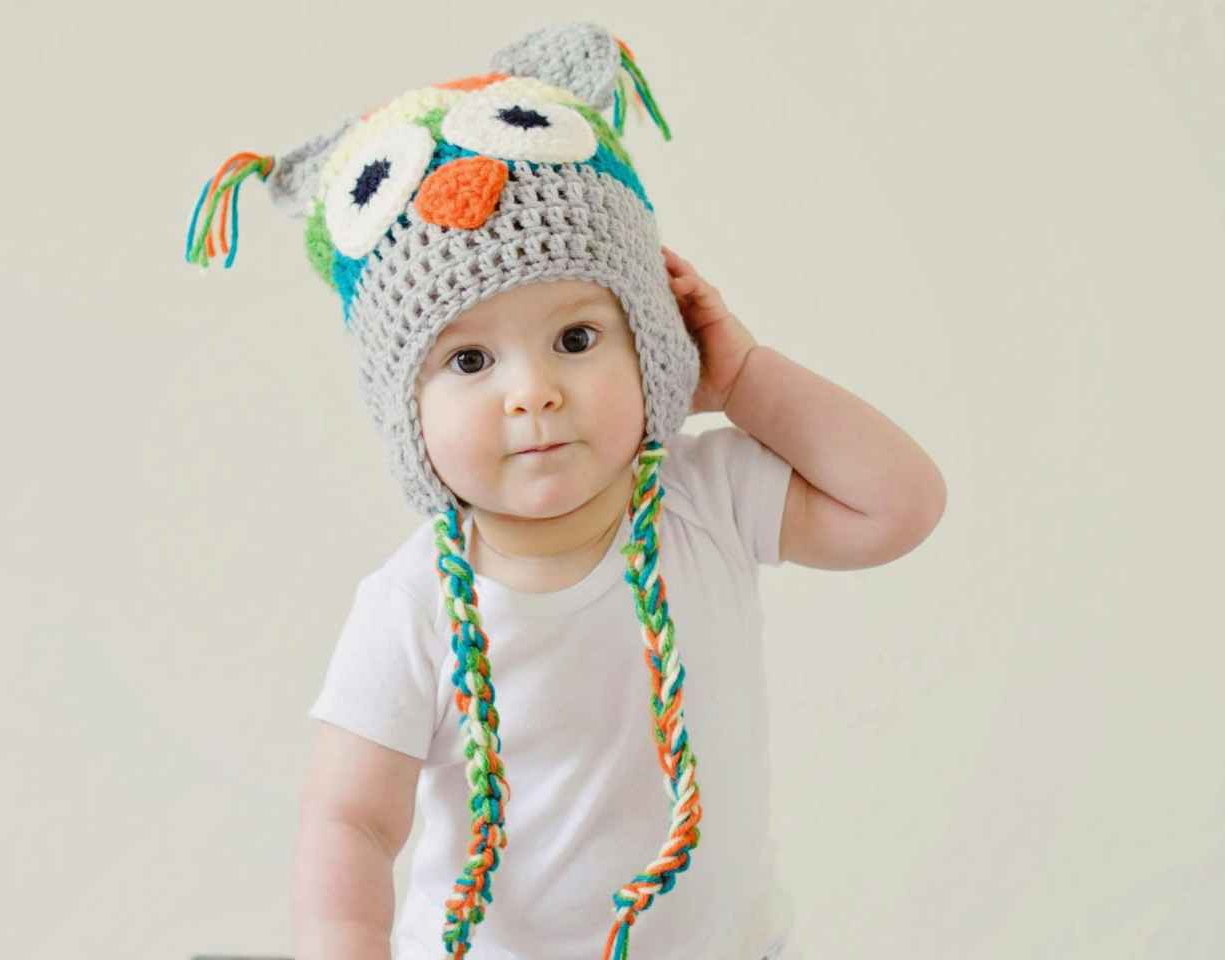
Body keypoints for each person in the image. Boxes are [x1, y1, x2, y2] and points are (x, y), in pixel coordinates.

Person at [183, 22, 945, 960]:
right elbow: (351, 820)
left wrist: (742, 377)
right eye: (468, 359)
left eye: (577, 340)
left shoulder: (705, 500)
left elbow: (899, 505)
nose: (532, 390)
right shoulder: (413, 604)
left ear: (654, 340)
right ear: (404, 410)